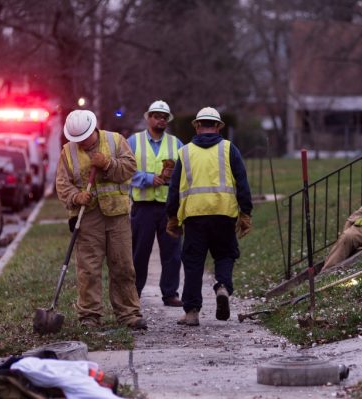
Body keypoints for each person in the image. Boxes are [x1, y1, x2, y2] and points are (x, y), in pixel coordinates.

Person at [55, 109, 147, 330]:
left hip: (117, 215)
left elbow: (130, 168)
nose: (82, 143)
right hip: (88, 218)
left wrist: (108, 164)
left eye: (84, 138)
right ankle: (89, 315)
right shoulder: (68, 151)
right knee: (89, 269)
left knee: (123, 266)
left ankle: (128, 314)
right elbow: (62, 184)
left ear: (93, 130)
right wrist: (76, 197)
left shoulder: (115, 141)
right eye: (77, 140)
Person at [166, 107, 253, 327]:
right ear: (218, 126)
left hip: (194, 217)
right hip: (224, 214)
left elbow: (174, 188)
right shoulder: (229, 149)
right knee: (224, 255)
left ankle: (192, 312)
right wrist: (245, 213)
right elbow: (242, 182)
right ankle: (222, 286)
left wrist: (172, 217)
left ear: (196, 125)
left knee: (193, 263)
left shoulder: (184, 152)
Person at [128, 100, 184, 307]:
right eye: (157, 116)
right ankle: (134, 293)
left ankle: (170, 293)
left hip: (169, 206)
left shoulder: (176, 144)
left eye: (164, 117)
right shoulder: (133, 142)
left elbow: (185, 171)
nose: (161, 120)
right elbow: (125, 171)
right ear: (148, 118)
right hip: (143, 207)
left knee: (172, 253)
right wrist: (148, 179)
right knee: (139, 252)